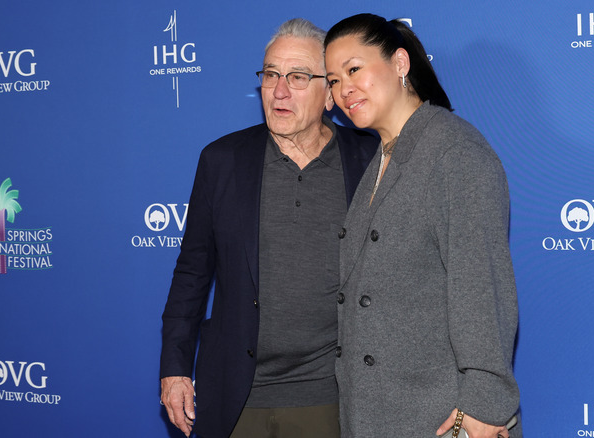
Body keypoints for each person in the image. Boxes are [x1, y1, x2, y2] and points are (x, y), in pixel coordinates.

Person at [160, 18, 378, 438]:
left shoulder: (370, 161)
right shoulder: (222, 161)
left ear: (330, 94)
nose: (279, 91)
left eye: (297, 77)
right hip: (236, 397)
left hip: (332, 396)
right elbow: (191, 274)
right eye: (271, 74)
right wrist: (174, 369)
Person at [324, 13, 521, 438]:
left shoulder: (455, 154)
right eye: (334, 80)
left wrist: (483, 408)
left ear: (399, 63)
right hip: (377, 413)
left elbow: (481, 289)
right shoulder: (382, 157)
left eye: (354, 70)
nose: (344, 90)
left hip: (442, 418)